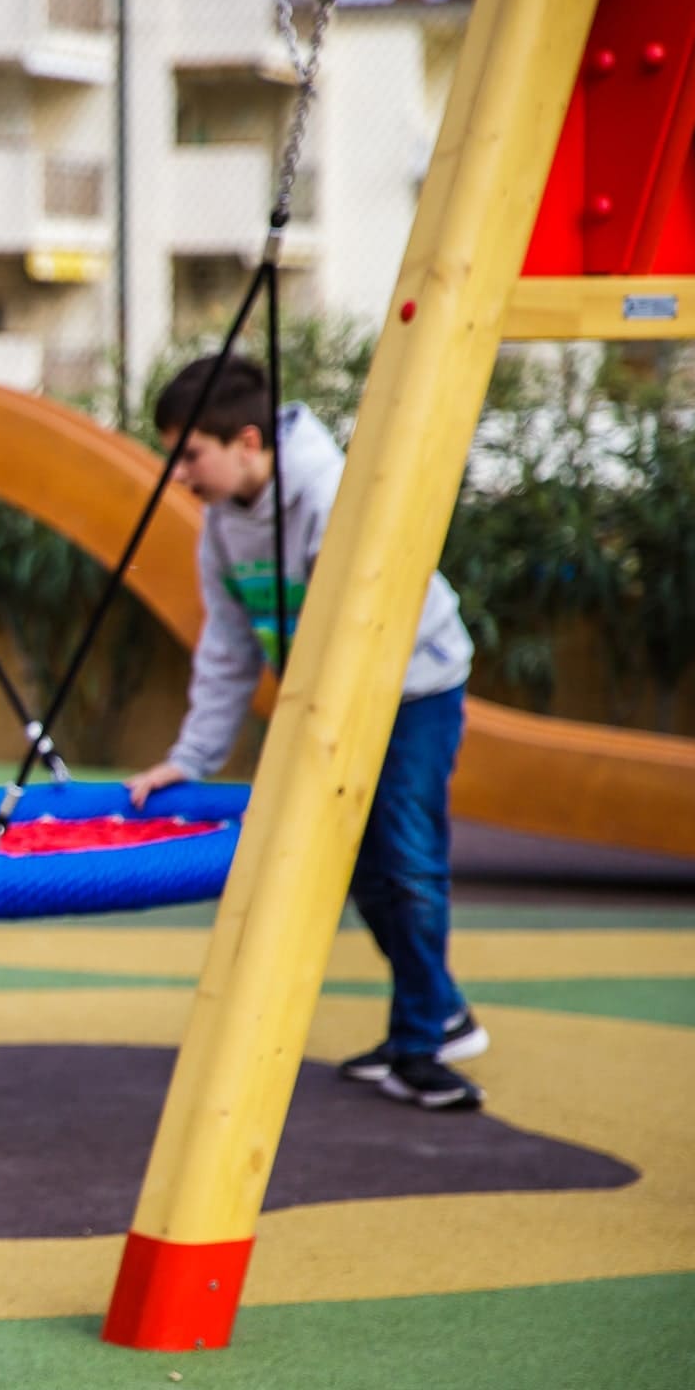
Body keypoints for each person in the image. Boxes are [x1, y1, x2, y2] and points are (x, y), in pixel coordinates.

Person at [124, 354, 487, 1110]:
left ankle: (424, 1041)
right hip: (333, 694)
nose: (179, 473)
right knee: (357, 864)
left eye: (191, 453)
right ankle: (437, 1007)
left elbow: (357, 631)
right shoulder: (222, 528)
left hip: (413, 684)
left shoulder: (328, 493)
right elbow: (227, 650)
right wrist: (189, 761)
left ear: (248, 441)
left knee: (406, 852)